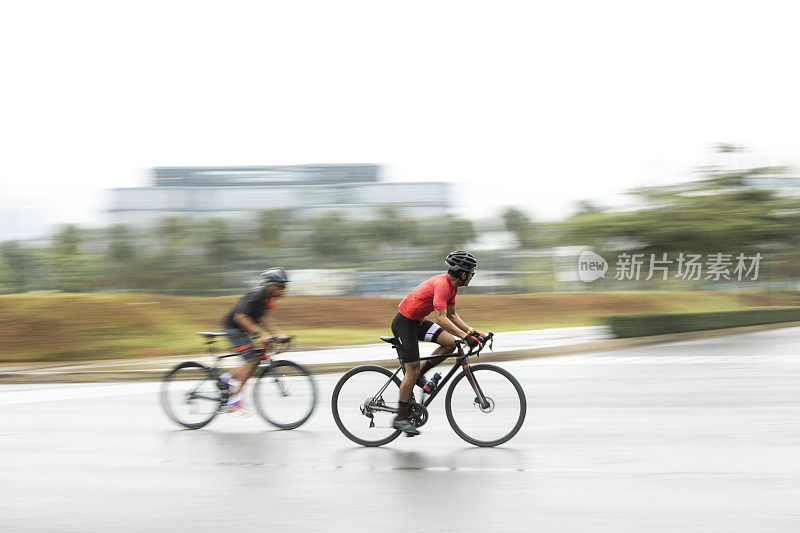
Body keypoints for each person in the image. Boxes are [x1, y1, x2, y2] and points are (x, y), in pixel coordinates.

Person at [390, 250, 487, 436]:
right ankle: (399, 418)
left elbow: (452, 315)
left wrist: (471, 332)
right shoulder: (443, 285)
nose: (473, 275)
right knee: (411, 371)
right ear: (463, 273)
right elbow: (441, 318)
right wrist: (466, 337)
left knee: (450, 343)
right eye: (471, 272)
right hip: (404, 324)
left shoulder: (453, 287)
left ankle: (419, 376)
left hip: (417, 322)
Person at [218, 267, 291, 414]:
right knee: (252, 359)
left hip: (244, 328)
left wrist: (277, 334)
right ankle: (234, 400)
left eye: (285, 287)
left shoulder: (268, 299)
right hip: (234, 327)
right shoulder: (257, 294)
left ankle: (226, 378)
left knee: (256, 360)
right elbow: (239, 317)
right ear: (271, 285)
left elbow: (264, 318)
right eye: (281, 287)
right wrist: (259, 335)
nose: (284, 291)